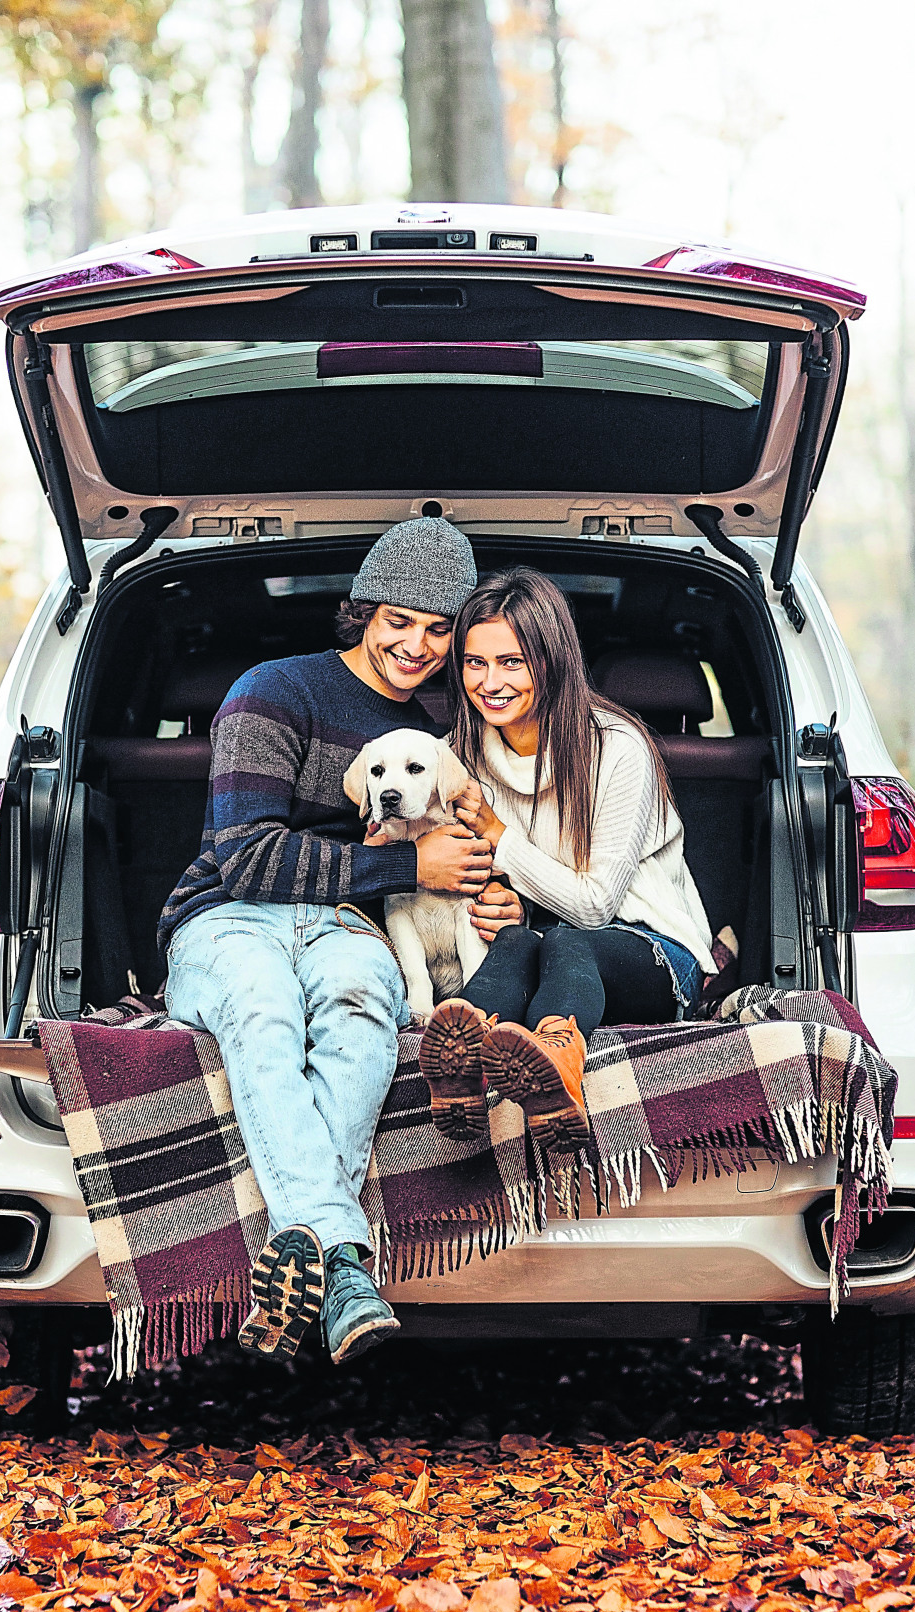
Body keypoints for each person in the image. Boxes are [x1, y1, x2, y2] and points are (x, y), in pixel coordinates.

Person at [158, 519, 521, 1366]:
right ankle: (345, 1263)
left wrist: (486, 890)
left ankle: (301, 1263)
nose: (419, 646)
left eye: (441, 630)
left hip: (356, 925)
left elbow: (484, 835)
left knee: (361, 1012)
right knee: (262, 1008)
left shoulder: (441, 730)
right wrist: (405, 864)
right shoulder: (272, 691)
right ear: (364, 609)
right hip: (228, 915)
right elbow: (245, 857)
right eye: (401, 620)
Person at [418, 567, 716, 1151]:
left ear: (551, 661)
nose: (489, 682)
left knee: (565, 941)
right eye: (475, 662)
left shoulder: (617, 748)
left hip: (655, 951)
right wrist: (503, 904)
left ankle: (558, 1067)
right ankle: (460, 1060)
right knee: (516, 943)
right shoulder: (459, 753)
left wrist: (500, 837)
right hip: (545, 944)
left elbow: (595, 903)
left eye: (512, 662)